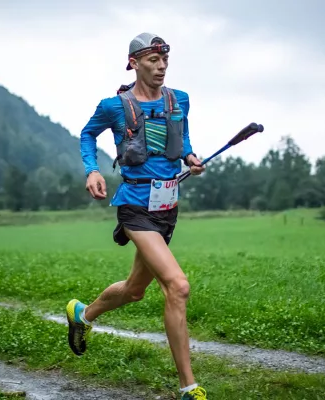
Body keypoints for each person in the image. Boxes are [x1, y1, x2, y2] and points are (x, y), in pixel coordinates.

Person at [66, 32, 208, 400]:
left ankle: (82, 315)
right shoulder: (114, 106)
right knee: (177, 286)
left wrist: (191, 158)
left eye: (164, 61)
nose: (160, 67)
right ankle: (188, 387)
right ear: (134, 63)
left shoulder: (181, 101)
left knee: (134, 291)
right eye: (152, 61)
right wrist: (91, 170)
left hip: (167, 207)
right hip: (135, 206)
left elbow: (183, 139)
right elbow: (87, 135)